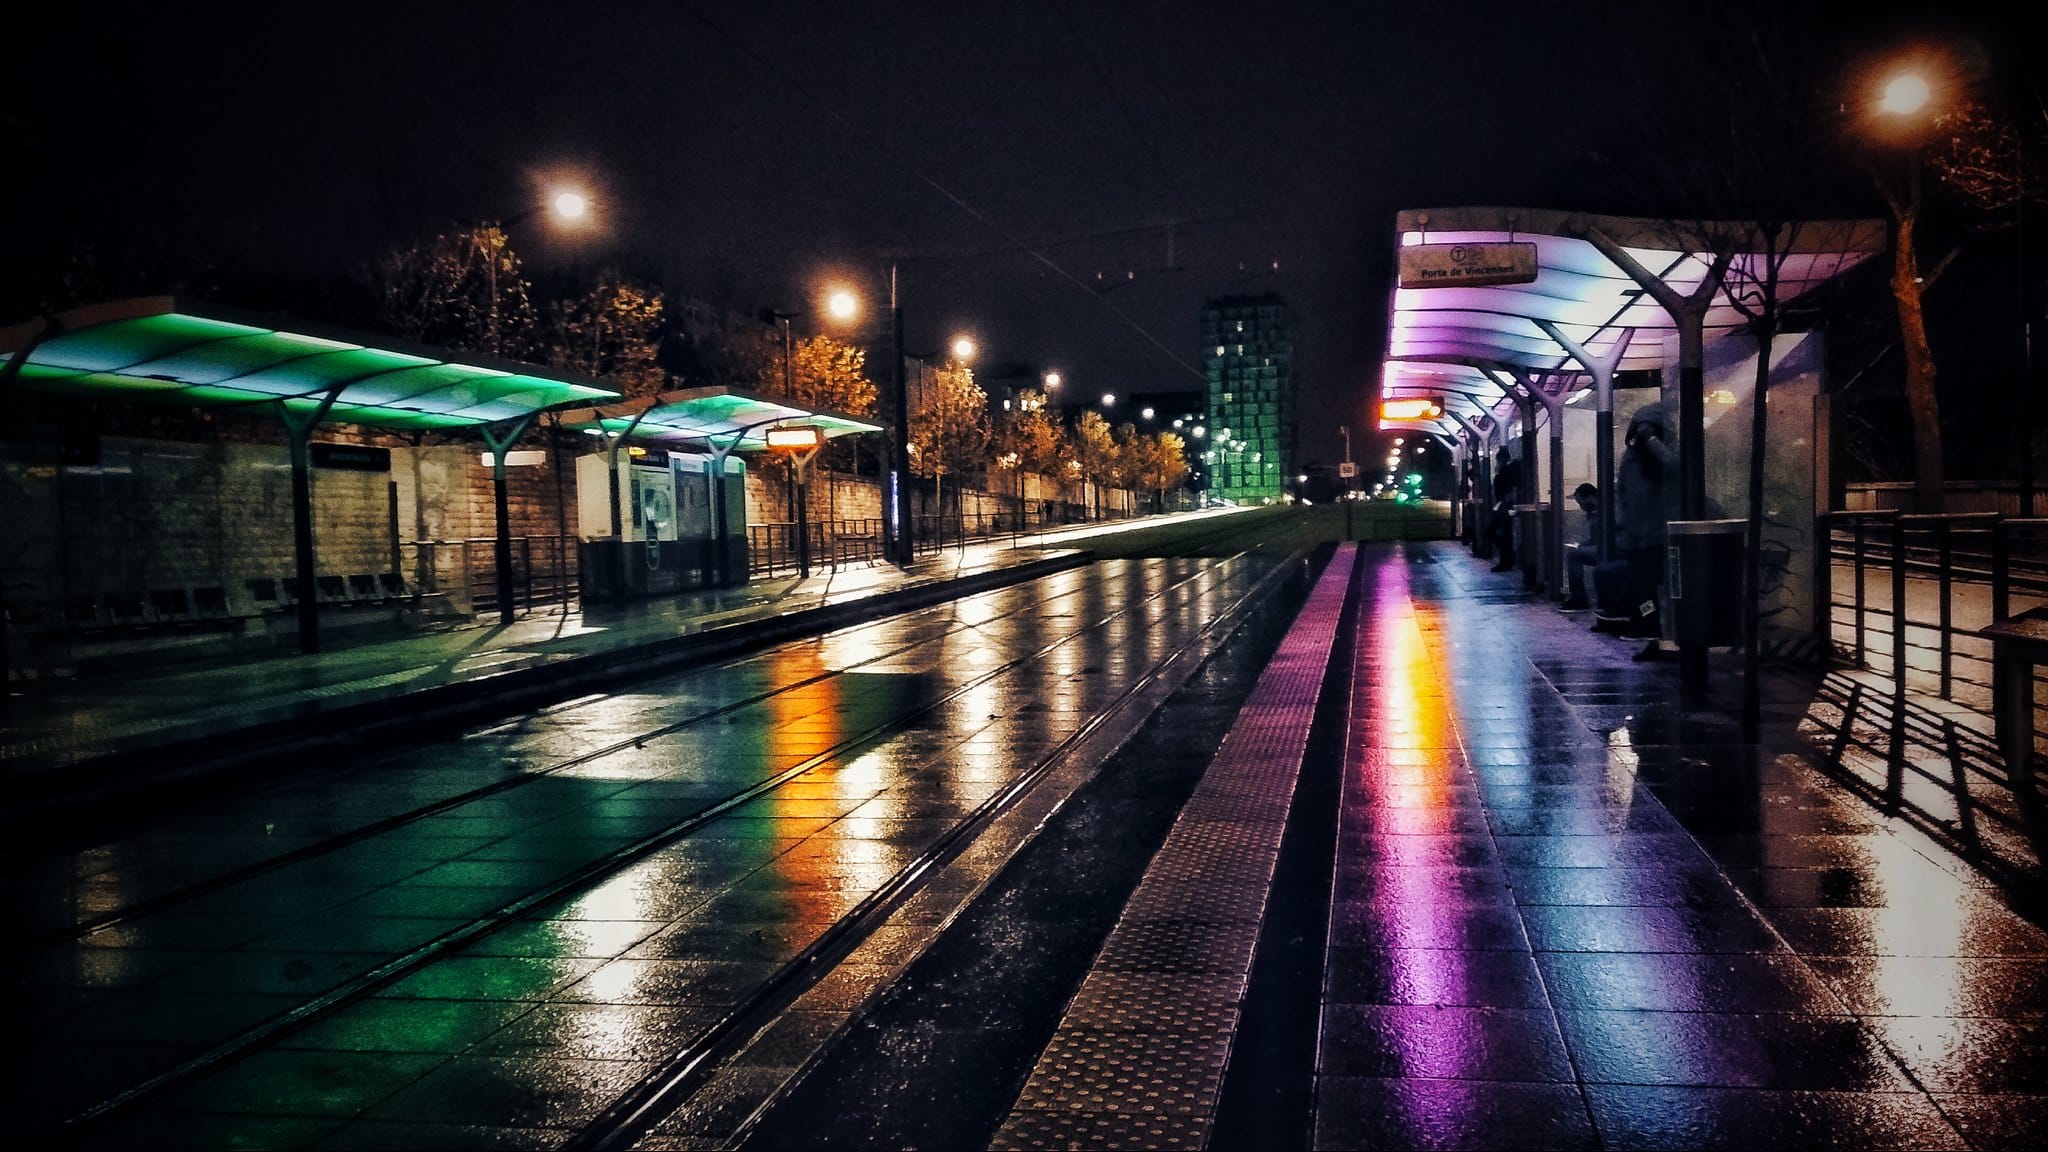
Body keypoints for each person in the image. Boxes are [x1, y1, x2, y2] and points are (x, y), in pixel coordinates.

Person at [1559, 482, 1600, 611]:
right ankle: (1578, 597)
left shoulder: (1606, 510)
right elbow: (1597, 538)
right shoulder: (1594, 512)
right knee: (1574, 553)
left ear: (1590, 497)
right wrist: (1582, 544)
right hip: (1604, 546)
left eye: (1582, 503)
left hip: (1614, 547)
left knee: (1574, 555)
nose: (1581, 507)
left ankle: (1579, 598)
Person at [1487, 446, 1521, 572]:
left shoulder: (1504, 472)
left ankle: (1506, 560)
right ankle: (1508, 558)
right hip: (1504, 505)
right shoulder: (1509, 471)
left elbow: (1507, 490)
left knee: (1496, 531)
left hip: (1504, 505)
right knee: (1503, 533)